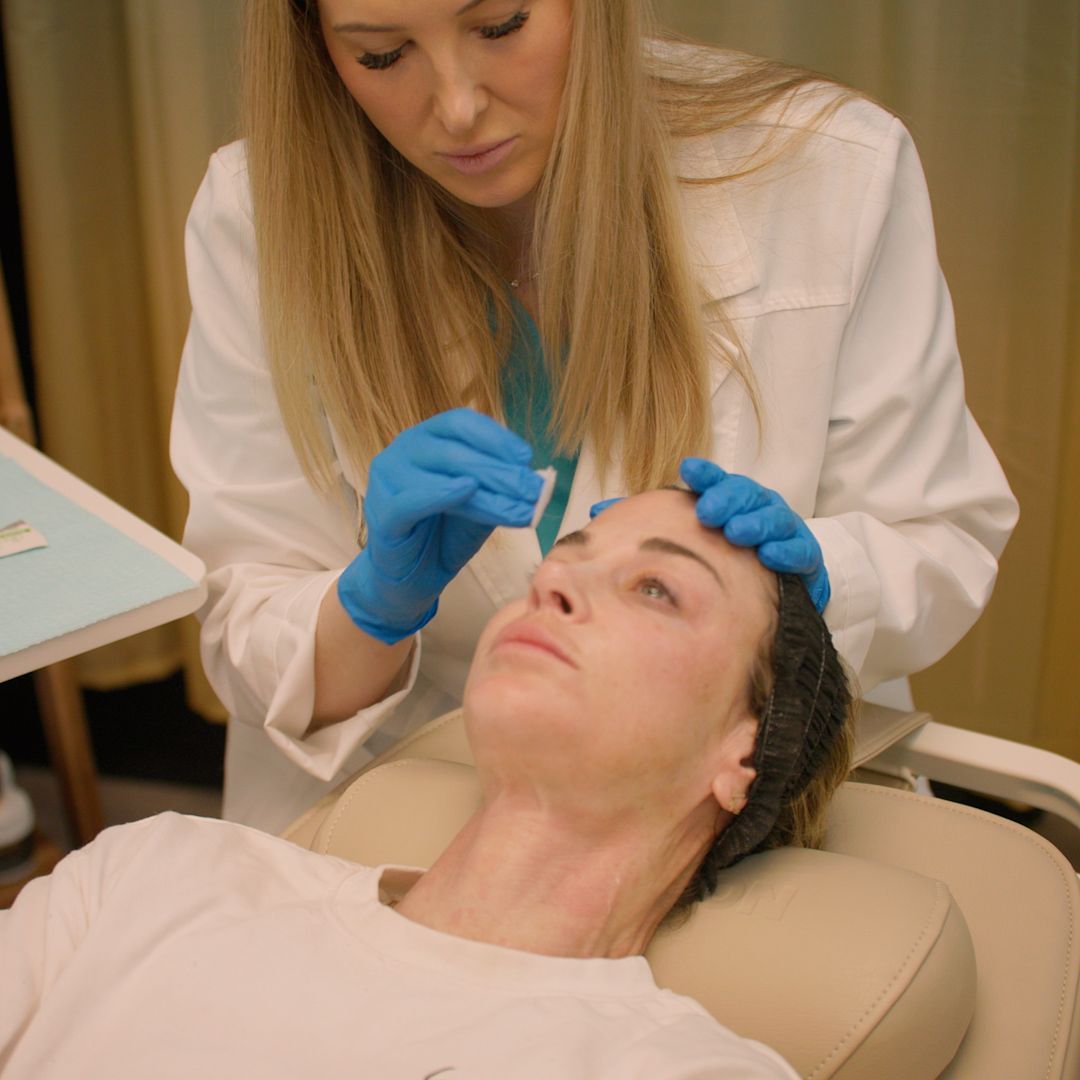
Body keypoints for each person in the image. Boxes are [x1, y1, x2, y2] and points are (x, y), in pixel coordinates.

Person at [170, 0, 1017, 832]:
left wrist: (811, 580)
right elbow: (250, 621)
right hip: (404, 797)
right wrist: (371, 608)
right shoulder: (260, 213)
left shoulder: (828, 167)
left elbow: (939, 539)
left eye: (500, 26)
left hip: (728, 808)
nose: (458, 107)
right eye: (383, 54)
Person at [0, 490, 852, 1079]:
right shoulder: (155, 871)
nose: (554, 582)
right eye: (560, 561)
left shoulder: (681, 1070)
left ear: (745, 752)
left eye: (656, 589)